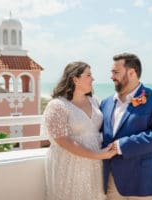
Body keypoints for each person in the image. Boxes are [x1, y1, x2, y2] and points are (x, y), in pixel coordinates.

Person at [100, 53, 152, 200]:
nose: (111, 76)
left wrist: (122, 145)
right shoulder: (106, 103)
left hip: (146, 181)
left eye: (116, 72)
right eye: (111, 72)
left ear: (132, 73)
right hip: (113, 181)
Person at [43, 61, 117, 200]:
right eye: (88, 75)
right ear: (75, 79)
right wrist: (97, 155)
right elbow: (63, 141)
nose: (93, 79)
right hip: (70, 165)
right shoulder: (57, 105)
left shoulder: (94, 101)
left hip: (95, 165)